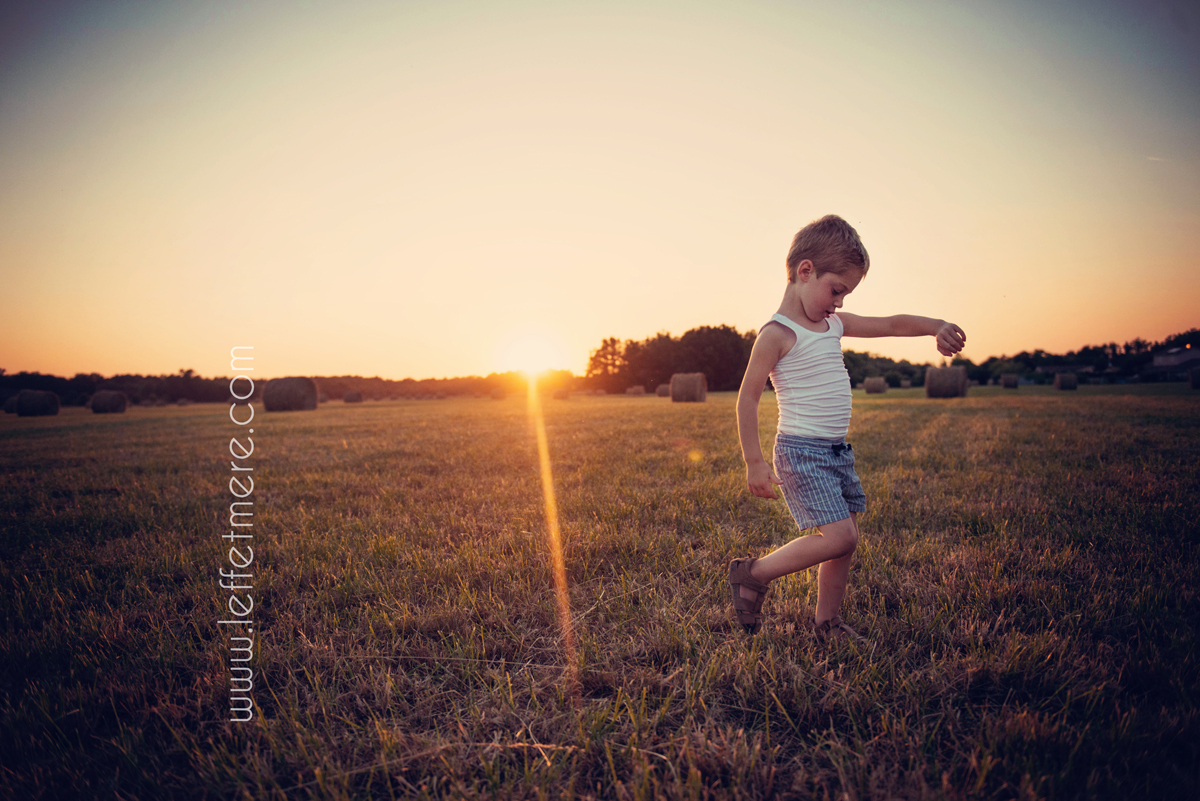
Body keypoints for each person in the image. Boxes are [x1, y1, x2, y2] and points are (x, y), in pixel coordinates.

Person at [729, 214, 966, 641]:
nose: (838, 303)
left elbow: (891, 324)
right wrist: (754, 461)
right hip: (801, 451)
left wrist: (936, 327)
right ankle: (754, 573)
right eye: (836, 290)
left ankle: (828, 622)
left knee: (847, 539)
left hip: (837, 452)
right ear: (805, 271)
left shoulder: (833, 324)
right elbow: (747, 398)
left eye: (845, 295)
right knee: (839, 538)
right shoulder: (777, 334)